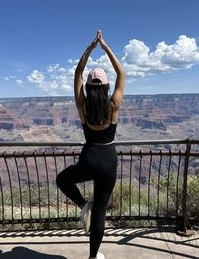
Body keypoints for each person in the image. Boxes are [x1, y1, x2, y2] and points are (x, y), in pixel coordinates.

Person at [56, 30, 125, 259]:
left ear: (87, 87)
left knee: (62, 179)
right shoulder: (113, 105)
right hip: (108, 161)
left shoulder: (82, 106)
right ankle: (93, 257)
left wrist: (89, 49)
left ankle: (83, 203)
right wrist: (105, 47)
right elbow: (121, 73)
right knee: (100, 212)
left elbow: (77, 72)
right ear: (105, 88)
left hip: (89, 158)